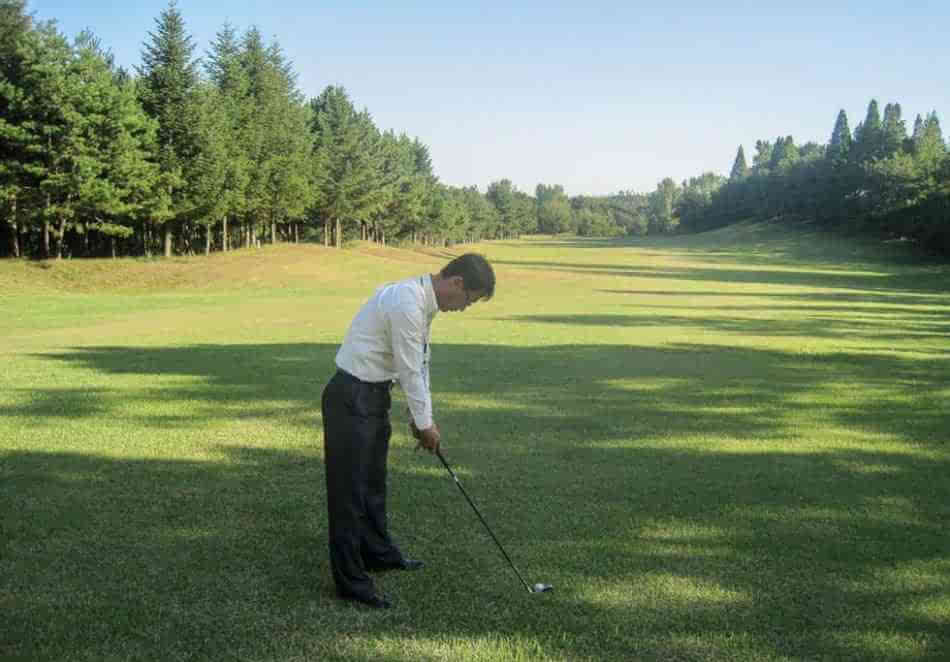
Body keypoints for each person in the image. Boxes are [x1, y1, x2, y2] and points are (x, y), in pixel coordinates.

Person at [321, 253, 496, 608]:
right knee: (348, 494)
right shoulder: (407, 301)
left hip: (372, 395)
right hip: (351, 396)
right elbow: (410, 369)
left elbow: (419, 363)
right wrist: (425, 425)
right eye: (469, 300)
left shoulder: (420, 299)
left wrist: (423, 419)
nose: (465, 308)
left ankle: (378, 553)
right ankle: (352, 582)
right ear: (456, 283)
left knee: (372, 485)